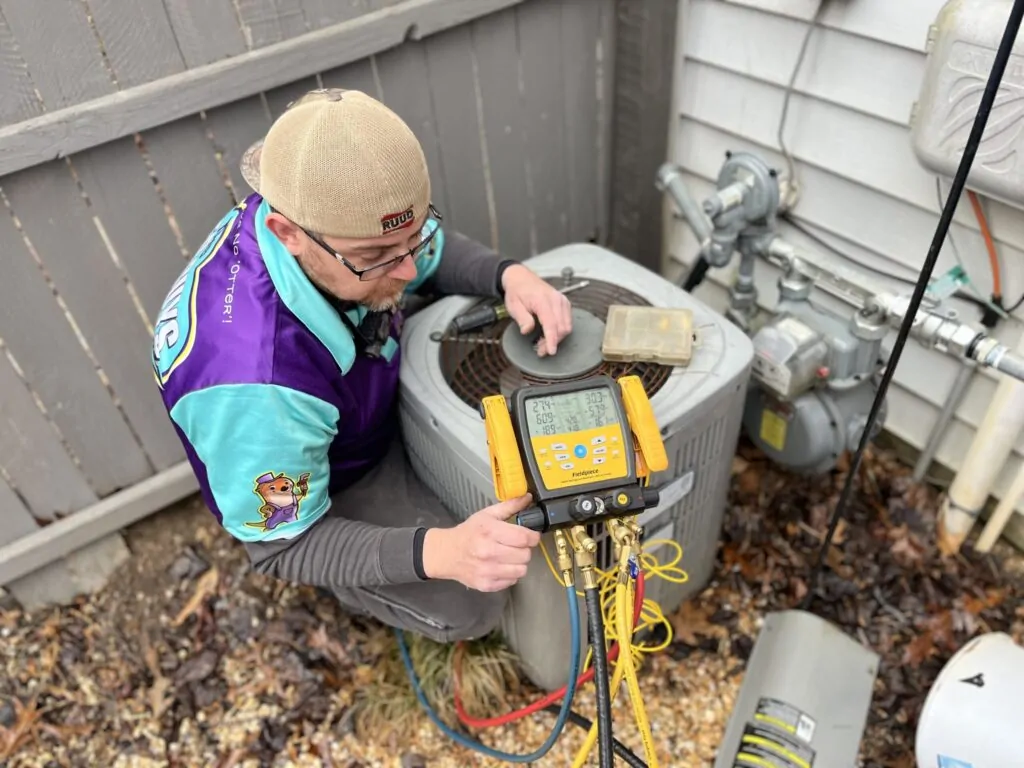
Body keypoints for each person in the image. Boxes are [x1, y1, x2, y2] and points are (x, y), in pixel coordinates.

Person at [150, 88, 574, 643]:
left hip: (356, 396)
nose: (407, 270)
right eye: (376, 257)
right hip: (342, 471)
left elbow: (427, 254)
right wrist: (435, 552)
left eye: (414, 235)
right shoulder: (255, 384)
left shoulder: (339, 218)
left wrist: (508, 275)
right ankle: (373, 590)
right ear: (288, 234)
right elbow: (285, 547)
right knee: (473, 604)